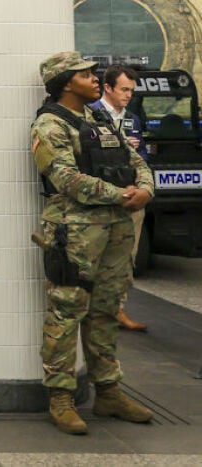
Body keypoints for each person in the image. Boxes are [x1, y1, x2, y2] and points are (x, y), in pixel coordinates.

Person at [31, 52, 155, 435]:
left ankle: (108, 391)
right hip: (75, 233)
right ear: (67, 82)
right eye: (85, 74)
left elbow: (136, 160)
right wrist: (120, 194)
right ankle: (62, 398)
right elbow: (65, 178)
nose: (94, 78)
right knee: (66, 314)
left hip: (114, 230)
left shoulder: (100, 119)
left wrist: (146, 189)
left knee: (104, 312)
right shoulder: (49, 125)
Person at [90, 65, 150, 332]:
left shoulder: (133, 119)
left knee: (127, 257)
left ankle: (118, 308)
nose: (128, 95)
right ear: (108, 88)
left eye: (131, 91)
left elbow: (144, 156)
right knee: (95, 256)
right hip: (101, 199)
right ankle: (94, 309)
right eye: (124, 89)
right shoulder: (90, 114)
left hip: (130, 196)